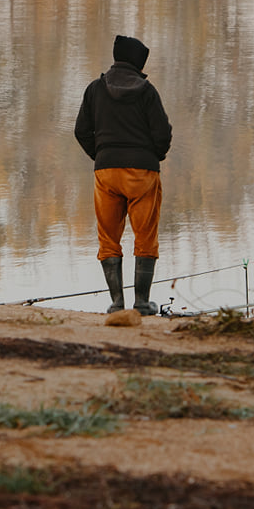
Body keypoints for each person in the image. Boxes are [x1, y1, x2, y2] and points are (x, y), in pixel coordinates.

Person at [73, 33, 173, 315]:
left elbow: (81, 131)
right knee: (145, 236)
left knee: (108, 237)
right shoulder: (147, 91)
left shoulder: (95, 89)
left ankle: (117, 303)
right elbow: (163, 134)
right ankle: (141, 303)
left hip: (106, 172)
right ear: (137, 63)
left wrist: (102, 154)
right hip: (143, 173)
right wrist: (153, 156)